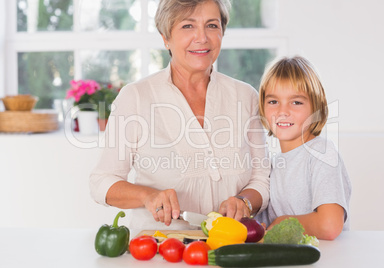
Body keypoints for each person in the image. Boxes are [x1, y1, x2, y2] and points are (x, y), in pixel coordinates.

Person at [89, 0, 270, 234]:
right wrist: (147, 196)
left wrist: (244, 201)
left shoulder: (245, 96)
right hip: (160, 248)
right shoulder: (136, 97)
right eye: (188, 26)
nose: (202, 37)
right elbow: (101, 182)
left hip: (231, 245)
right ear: (166, 37)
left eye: (212, 26)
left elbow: (261, 178)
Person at [255, 56, 351, 240]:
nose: (282, 111)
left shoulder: (322, 153)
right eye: (273, 101)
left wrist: (284, 222)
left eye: (296, 102)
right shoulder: (273, 164)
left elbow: (329, 225)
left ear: (316, 108)